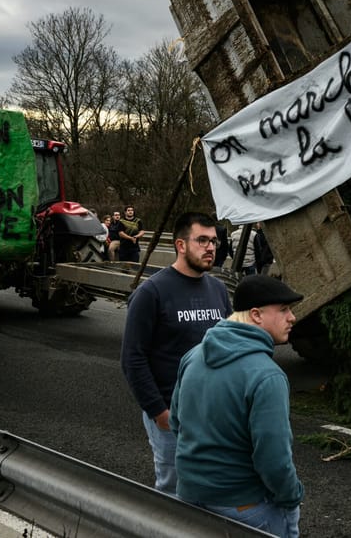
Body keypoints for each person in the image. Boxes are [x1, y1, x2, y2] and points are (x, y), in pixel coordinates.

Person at [170, 274, 305, 538]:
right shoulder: (267, 376)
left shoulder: (193, 356)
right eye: (284, 310)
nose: (292, 317)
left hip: (189, 497)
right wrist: (293, 496)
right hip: (244, 506)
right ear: (256, 315)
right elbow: (274, 460)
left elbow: (177, 423)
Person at [120, 211, 232, 494]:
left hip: (212, 413)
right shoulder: (152, 292)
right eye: (202, 240)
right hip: (172, 414)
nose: (210, 248)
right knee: (173, 490)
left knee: (210, 485)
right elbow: (132, 358)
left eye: (214, 242)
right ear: (180, 245)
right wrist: (159, 412)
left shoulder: (218, 290)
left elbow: (230, 347)